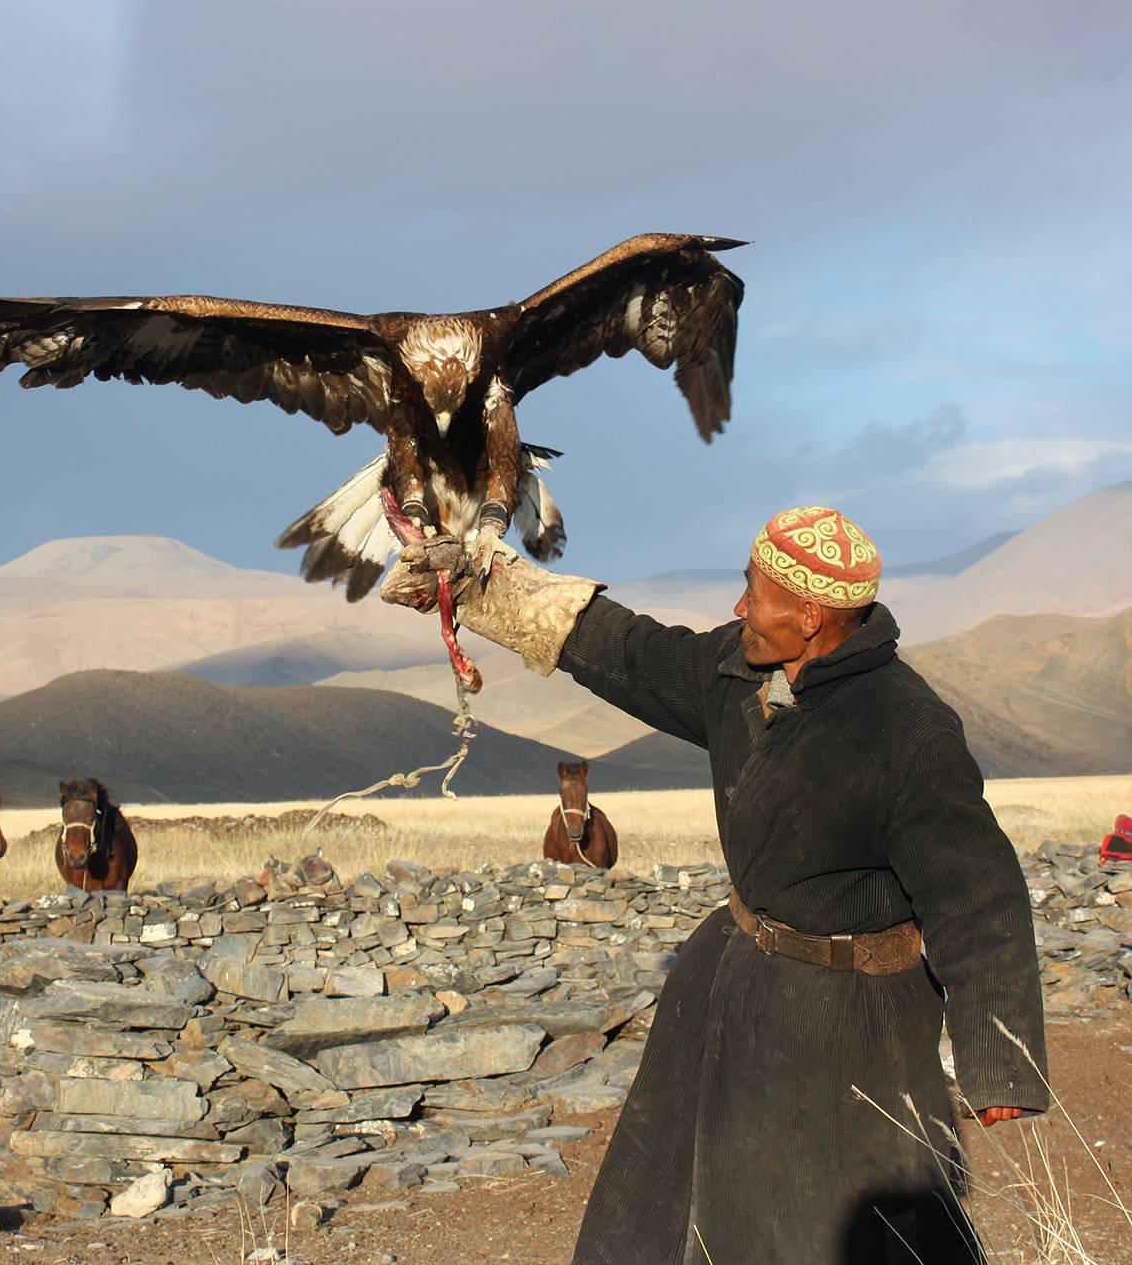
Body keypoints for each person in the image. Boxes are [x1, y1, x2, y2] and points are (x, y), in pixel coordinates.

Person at [381, 504, 1048, 1265]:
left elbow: (979, 895)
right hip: (728, 979)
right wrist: (474, 579)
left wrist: (1001, 1057)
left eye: (755, 595)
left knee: (838, 1224)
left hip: (848, 1018)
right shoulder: (738, 670)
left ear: (809, 616)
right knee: (665, 1203)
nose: (738, 609)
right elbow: (628, 649)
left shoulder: (909, 731)